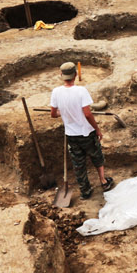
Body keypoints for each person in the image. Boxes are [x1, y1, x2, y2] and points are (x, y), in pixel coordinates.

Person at [47, 62, 115, 204]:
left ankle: (85, 191)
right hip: (86, 133)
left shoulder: (56, 92)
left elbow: (53, 114)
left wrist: (64, 112)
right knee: (96, 155)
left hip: (71, 135)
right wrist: (97, 129)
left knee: (78, 163)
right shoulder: (81, 91)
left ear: (61, 75)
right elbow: (88, 114)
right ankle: (103, 181)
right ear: (75, 75)